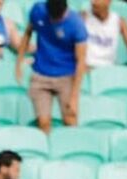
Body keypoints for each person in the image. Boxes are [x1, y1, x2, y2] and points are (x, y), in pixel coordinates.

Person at [17, 0, 88, 134]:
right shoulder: (38, 10)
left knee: (70, 120)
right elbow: (27, 33)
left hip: (66, 76)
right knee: (43, 123)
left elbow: (81, 61)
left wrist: (74, 96)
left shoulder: (76, 25)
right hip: (41, 74)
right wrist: (18, 63)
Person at [83, 0, 127, 69]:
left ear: (108, 1)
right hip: (88, 67)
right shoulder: (83, 18)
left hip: (109, 69)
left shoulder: (119, 21)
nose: (93, 2)